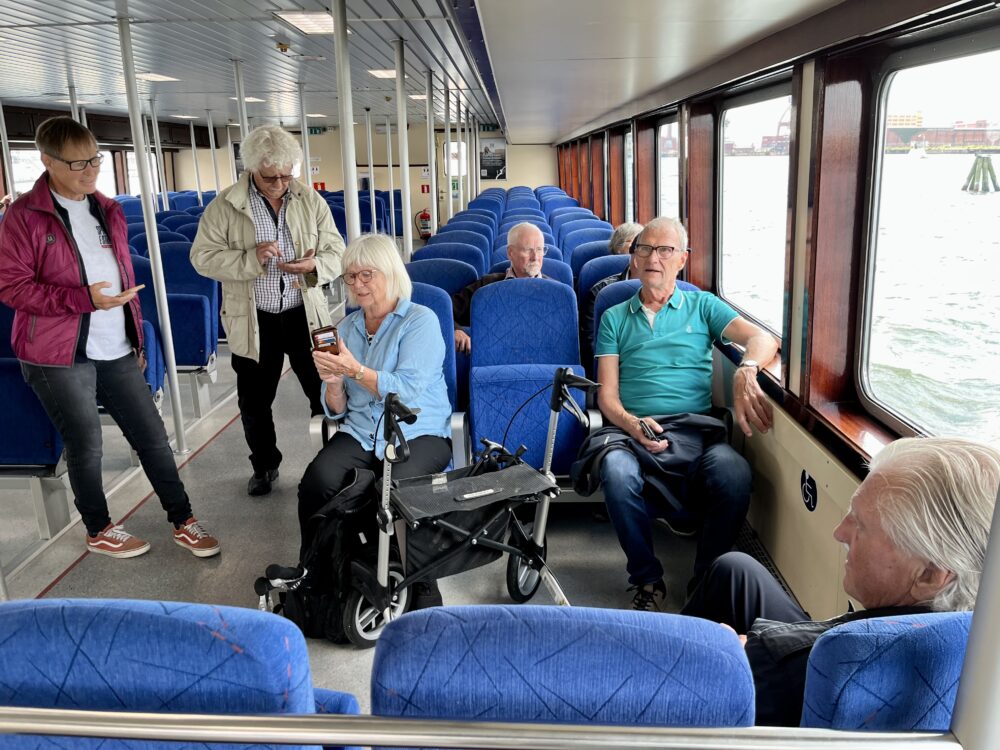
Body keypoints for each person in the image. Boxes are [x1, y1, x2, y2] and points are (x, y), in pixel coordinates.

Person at [0, 116, 219, 559]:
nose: (91, 171)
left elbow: (119, 279)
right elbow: (12, 287)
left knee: (152, 435)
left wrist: (135, 339)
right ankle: (98, 528)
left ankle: (183, 519)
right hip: (57, 353)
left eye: (95, 160)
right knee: (87, 443)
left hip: (114, 344)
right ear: (47, 161)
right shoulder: (23, 217)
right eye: (78, 164)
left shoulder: (107, 209)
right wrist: (83, 299)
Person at [682, 436, 1000, 726]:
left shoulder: (781, 662)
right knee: (735, 570)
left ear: (929, 575)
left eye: (860, 525)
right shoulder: (982, 641)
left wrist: (733, 655)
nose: (840, 532)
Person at [585, 216, 778, 611]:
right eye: (644, 249)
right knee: (616, 472)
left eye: (664, 250)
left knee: (735, 473)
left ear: (682, 259)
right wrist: (632, 425)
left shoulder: (703, 306)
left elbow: (763, 338)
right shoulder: (613, 317)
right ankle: (646, 578)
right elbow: (607, 397)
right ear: (634, 258)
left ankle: (705, 581)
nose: (653, 258)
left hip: (695, 429)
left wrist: (746, 369)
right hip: (631, 428)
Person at [298, 234, 452, 608]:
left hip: (417, 430)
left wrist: (355, 369)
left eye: (366, 274)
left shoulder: (420, 321)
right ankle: (320, 575)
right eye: (350, 277)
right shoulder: (347, 328)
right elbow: (337, 410)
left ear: (390, 272)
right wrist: (334, 383)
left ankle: (421, 581)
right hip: (363, 430)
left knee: (396, 486)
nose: (357, 284)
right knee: (317, 481)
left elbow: (406, 393)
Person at [191, 125, 343, 497]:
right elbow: (202, 258)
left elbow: (337, 252)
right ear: (252, 169)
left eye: (286, 176)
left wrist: (313, 267)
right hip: (254, 317)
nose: (279, 184)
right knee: (255, 401)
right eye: (270, 177)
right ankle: (264, 465)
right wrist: (251, 258)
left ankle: (334, 463)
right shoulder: (225, 206)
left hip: (308, 313)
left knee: (326, 389)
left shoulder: (309, 199)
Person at [451, 222, 549, 354]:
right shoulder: (485, 286)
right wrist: (455, 330)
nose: (535, 257)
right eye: (528, 250)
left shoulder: (558, 292)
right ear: (510, 253)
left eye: (539, 249)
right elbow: (445, 310)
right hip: (493, 358)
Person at [579, 221, 643, 363]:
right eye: (635, 244)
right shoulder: (600, 292)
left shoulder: (662, 292)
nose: (641, 251)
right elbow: (591, 342)